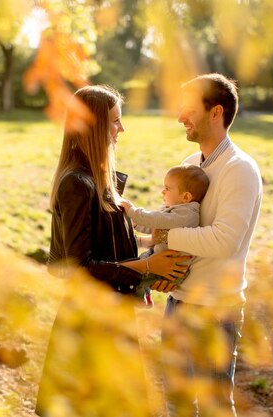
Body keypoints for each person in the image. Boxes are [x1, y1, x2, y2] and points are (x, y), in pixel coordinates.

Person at [36, 85, 190, 417]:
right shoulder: (76, 184)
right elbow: (81, 264)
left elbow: (110, 245)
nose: (122, 129)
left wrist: (154, 249)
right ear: (94, 127)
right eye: (115, 122)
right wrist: (147, 268)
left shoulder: (100, 179)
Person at [151, 73, 262, 417]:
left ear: (216, 113)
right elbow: (175, 223)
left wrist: (164, 236)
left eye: (189, 109)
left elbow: (224, 240)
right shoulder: (187, 166)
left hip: (216, 310)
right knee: (177, 404)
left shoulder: (240, 170)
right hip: (178, 304)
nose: (180, 117)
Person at [120, 165, 210, 307]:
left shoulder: (186, 215)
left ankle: (138, 299)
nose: (163, 192)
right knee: (137, 262)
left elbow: (156, 220)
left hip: (170, 268)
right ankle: (146, 293)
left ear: (186, 197)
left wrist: (133, 212)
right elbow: (156, 228)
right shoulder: (177, 210)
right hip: (159, 255)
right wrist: (136, 224)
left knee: (135, 276)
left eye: (167, 189)